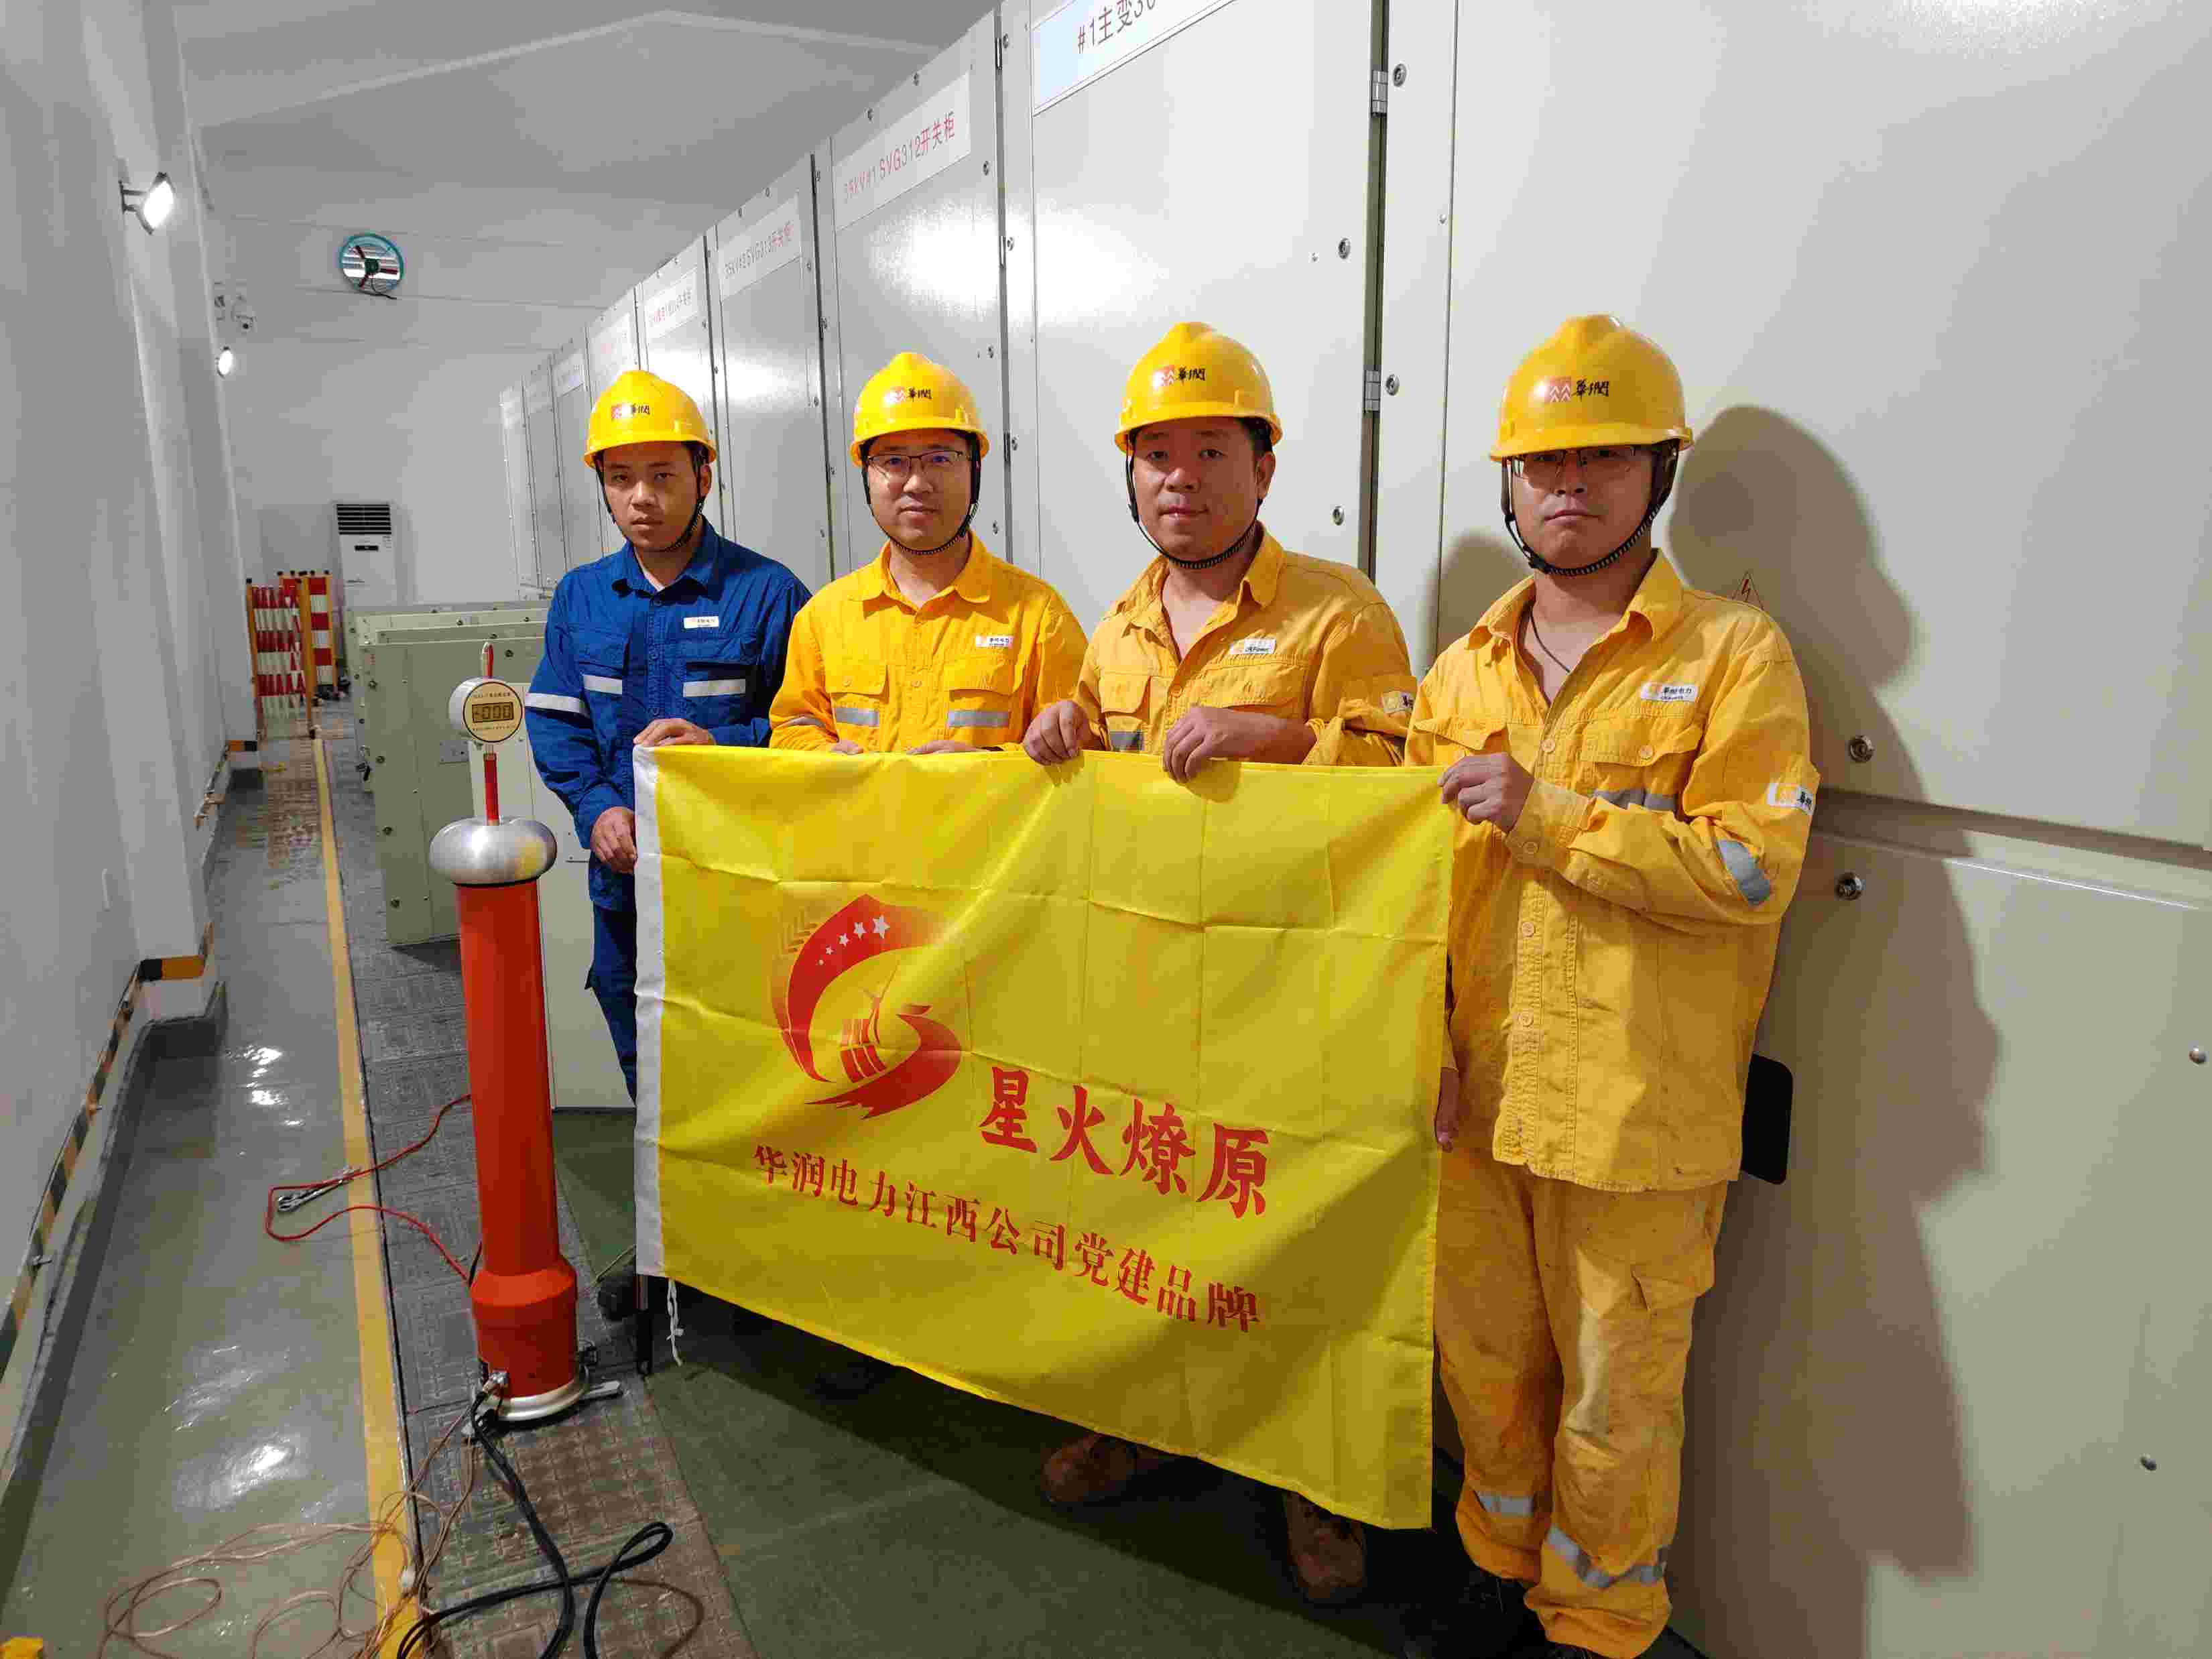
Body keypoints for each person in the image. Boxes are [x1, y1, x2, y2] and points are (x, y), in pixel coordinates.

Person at [1402, 316, 1818, 1659]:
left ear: (1659, 474)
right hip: (1479, 1101)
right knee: (1485, 1368)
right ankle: (1493, 1571)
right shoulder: (1461, 668)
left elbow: (1751, 868)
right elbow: (1408, 892)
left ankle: (1596, 1622)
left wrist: (1550, 814)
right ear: (1509, 485)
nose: (1569, 486)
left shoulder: (1734, 654)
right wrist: (1418, 1046)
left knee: (1616, 1401)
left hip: (1636, 1119)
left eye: (1603, 460)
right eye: (1543, 464)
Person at [1022, 321, 1418, 1606]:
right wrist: (1065, 731)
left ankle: (1318, 1484)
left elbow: (1403, 777)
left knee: (1301, 1237)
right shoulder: (1117, 626)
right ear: (1132, 476)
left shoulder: (1338, 613)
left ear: (1264, 468)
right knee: (1143, 1216)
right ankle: (1140, 1421)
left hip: (1290, 985)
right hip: (1146, 979)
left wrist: (1281, 739)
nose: (1180, 479)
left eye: (1210, 451)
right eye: (1157, 456)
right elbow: (1102, 784)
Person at [524, 369, 809, 1101]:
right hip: (625, 885)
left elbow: (809, 730)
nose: (641, 498)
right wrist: (596, 809)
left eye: (662, 475)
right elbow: (556, 719)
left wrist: (723, 747)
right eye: (620, 478)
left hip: (737, 885)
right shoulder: (582, 597)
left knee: (747, 1059)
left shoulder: (768, 593)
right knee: (645, 1058)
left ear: (703, 477)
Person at [769, 351, 1084, 757]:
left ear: (975, 470)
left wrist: (988, 766)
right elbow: (794, 726)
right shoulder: (824, 617)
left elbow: (1077, 751)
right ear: (866, 477)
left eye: (940, 459)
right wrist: (823, 758)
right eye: (893, 461)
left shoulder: (1039, 617)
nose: (917, 483)